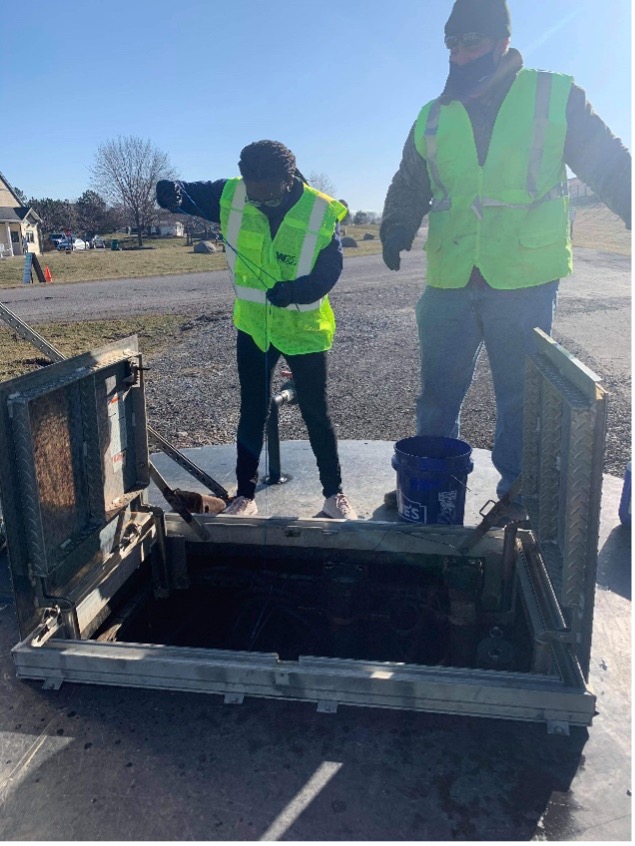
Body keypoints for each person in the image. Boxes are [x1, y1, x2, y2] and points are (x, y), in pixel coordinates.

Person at [380, 0, 631, 504]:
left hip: (523, 278)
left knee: (519, 402)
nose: (459, 54)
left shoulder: (552, 95)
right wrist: (395, 224)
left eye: (471, 42)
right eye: (451, 44)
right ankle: (429, 491)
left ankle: (516, 502)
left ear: (502, 43)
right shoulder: (432, 115)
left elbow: (608, 164)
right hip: (449, 280)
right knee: (437, 397)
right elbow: (411, 179)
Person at [156, 140, 357, 519]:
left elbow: (331, 269)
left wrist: (296, 291)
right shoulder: (233, 191)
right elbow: (188, 195)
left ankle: (334, 495)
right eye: (253, 191)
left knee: (316, 411)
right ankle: (244, 495)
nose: (257, 199)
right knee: (253, 409)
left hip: (303, 329)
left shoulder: (319, 210)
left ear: (287, 180)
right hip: (254, 327)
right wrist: (172, 193)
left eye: (266, 193)